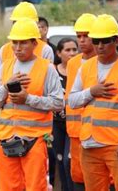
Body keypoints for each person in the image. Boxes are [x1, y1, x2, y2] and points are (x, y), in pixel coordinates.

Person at [68, 14, 118, 190]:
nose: (100, 46)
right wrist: (91, 92)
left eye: (105, 41)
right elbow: (72, 101)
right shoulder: (86, 67)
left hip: (117, 144)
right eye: (96, 41)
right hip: (89, 143)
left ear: (116, 41)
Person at [0, 18, 64, 190]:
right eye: (14, 42)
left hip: (34, 140)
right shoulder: (6, 66)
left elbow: (59, 103)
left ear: (34, 43)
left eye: (23, 43)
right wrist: (6, 87)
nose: (17, 47)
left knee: (35, 187)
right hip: (6, 139)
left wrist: (28, 99)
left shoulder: (47, 68)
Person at [65, 13, 97, 190]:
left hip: (97, 130)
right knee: (77, 176)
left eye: (86, 36)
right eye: (79, 36)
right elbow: (70, 97)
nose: (82, 40)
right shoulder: (73, 63)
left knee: (98, 177)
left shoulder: (101, 61)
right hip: (75, 130)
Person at [48, 37, 78, 191]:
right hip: (56, 123)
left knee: (69, 160)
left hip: (74, 123)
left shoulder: (80, 70)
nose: (72, 53)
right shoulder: (52, 70)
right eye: (67, 50)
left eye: (74, 49)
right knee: (59, 160)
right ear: (59, 53)